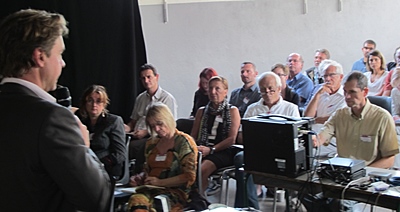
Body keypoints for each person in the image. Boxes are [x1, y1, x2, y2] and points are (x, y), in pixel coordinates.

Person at [0, 9, 111, 211]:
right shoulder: (52, 118)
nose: (63, 63)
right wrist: (85, 148)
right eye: (59, 54)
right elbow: (97, 199)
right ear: (40, 57)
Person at [305, 71, 399, 211]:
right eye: (345, 92)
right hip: (340, 177)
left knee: (341, 205)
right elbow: (320, 138)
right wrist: (309, 138)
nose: (347, 97)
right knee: (304, 194)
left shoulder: (382, 117)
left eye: (352, 92)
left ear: (365, 91)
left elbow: (389, 160)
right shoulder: (340, 115)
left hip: (366, 180)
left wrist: (361, 174)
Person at [234, 72, 300, 209]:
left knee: (296, 164)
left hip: (282, 154)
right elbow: (241, 136)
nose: (267, 92)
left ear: (279, 88)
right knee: (240, 158)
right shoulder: (253, 109)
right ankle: (250, 207)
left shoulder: (290, 108)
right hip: (257, 152)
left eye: (271, 89)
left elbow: (297, 137)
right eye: (263, 90)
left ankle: (291, 206)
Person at [127, 102, 200, 212]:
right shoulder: (151, 143)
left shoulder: (183, 142)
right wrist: (140, 178)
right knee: (136, 201)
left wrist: (160, 182)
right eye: (152, 126)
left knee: (154, 205)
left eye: (159, 124)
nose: (156, 129)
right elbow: (148, 171)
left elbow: (189, 177)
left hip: (176, 192)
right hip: (152, 189)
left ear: (168, 119)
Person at [191, 76, 241, 195]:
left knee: (201, 170)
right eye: (211, 88)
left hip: (223, 151)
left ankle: (200, 200)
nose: (213, 92)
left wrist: (211, 149)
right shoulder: (201, 111)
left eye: (217, 88)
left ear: (225, 91)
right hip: (202, 148)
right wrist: (194, 147)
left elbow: (231, 139)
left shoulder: (232, 111)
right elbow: (192, 135)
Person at [125, 64, 178, 164]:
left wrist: (145, 132)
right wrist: (125, 128)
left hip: (154, 136)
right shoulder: (140, 98)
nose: (146, 81)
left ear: (156, 77)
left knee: (132, 147)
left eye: (149, 77)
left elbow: (170, 126)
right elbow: (133, 122)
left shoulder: (167, 98)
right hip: (135, 134)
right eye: (143, 78)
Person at [76, 85, 126, 180]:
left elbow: (120, 154)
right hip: (84, 167)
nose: (94, 105)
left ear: (104, 104)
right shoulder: (80, 121)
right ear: (85, 103)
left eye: (98, 101)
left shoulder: (114, 121)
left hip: (106, 169)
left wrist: (99, 164)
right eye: (90, 101)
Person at [304, 60, 346, 157]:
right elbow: (307, 117)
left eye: (331, 75)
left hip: (332, 137)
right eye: (325, 76)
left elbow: (335, 120)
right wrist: (318, 95)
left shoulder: (345, 95)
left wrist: (316, 120)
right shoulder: (320, 92)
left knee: (308, 153)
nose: (328, 79)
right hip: (314, 133)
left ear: (341, 77)